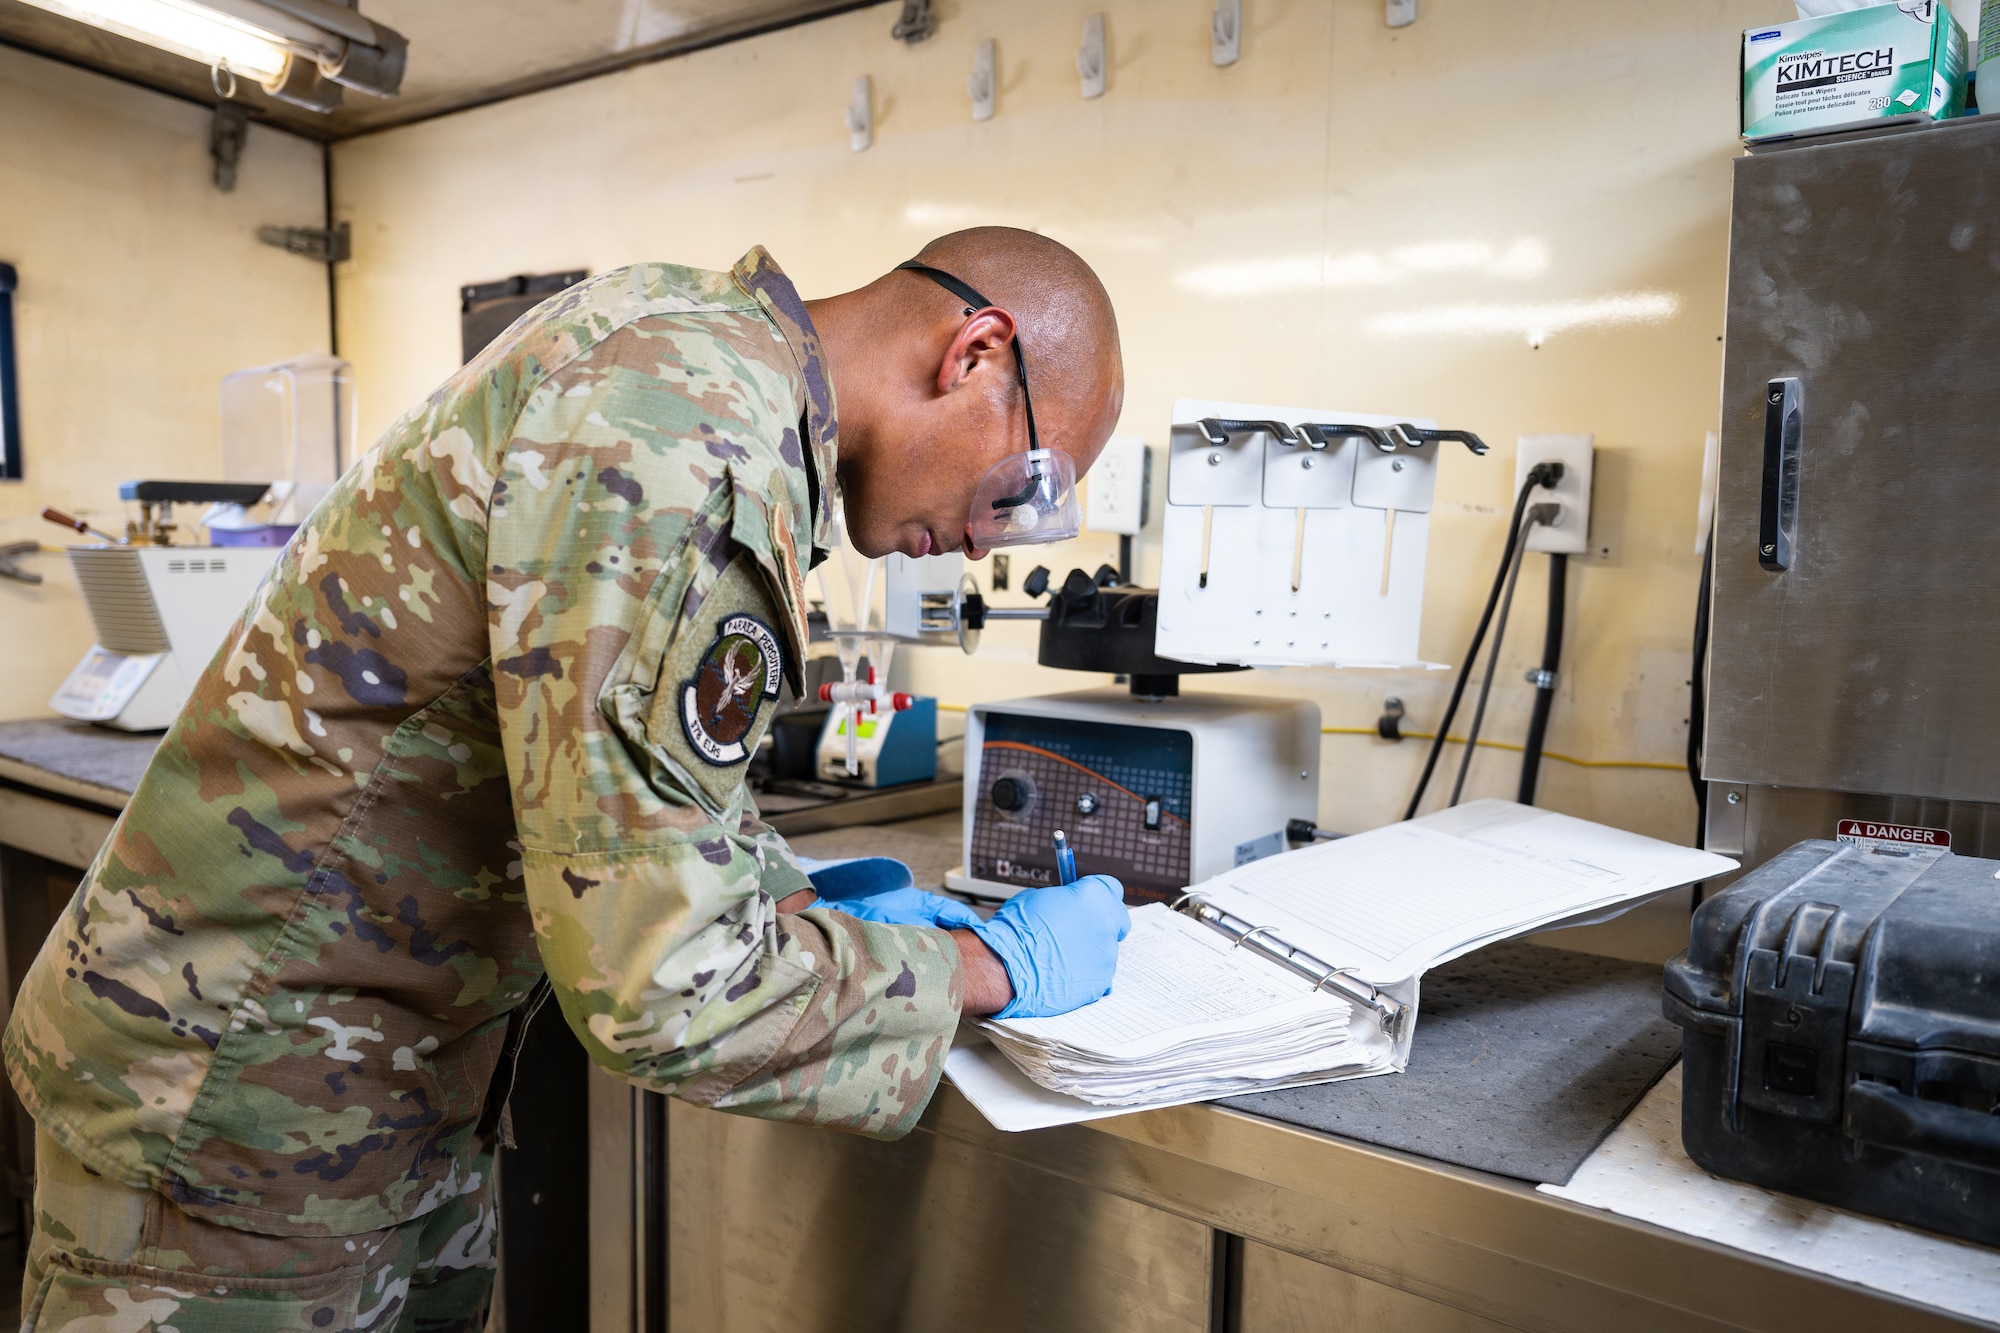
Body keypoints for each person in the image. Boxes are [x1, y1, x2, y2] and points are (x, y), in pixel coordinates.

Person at [5, 227, 1132, 1331]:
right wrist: (980, 969)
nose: (994, 545)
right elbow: (663, 986)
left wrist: (787, 896)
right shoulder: (677, 428)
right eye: (1027, 487)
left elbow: (619, 761)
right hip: (237, 1117)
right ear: (974, 352)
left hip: (377, 1094)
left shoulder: (707, 375)